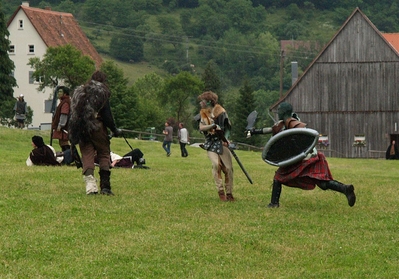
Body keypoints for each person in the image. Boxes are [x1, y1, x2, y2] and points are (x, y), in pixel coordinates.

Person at [248, 102, 356, 208]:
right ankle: (345, 189)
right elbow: (271, 130)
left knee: (278, 177)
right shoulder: (283, 124)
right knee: (322, 183)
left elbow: (302, 142)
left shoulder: (297, 125)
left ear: (284, 112)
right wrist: (254, 132)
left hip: (305, 158)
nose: (278, 112)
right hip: (309, 157)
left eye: (279, 110)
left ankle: (274, 203)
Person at [69, 70, 122, 196]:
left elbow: (73, 114)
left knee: (87, 154)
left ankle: (90, 185)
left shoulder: (79, 92)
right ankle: (105, 187)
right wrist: (114, 129)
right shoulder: (102, 92)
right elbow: (107, 115)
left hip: (81, 128)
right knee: (104, 153)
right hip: (97, 127)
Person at [198, 91, 235, 202]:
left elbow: (228, 127)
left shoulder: (221, 111)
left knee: (228, 168)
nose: (201, 103)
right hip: (210, 143)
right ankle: (220, 191)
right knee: (216, 165)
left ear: (208, 101)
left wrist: (226, 139)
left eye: (202, 100)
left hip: (222, 141)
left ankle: (229, 193)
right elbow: (201, 127)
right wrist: (212, 125)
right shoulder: (204, 113)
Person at [51, 87, 71, 151]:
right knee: (62, 142)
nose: (59, 93)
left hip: (64, 127)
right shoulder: (63, 102)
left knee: (64, 142)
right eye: (58, 92)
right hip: (63, 127)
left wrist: (60, 125)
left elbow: (64, 114)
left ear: (65, 94)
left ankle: (69, 156)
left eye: (60, 92)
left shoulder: (65, 103)